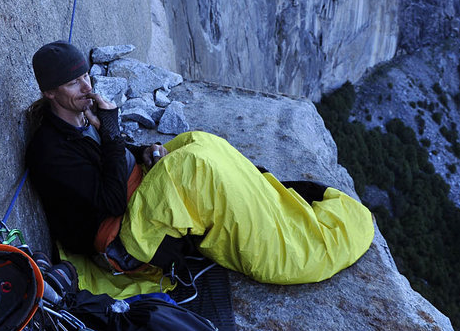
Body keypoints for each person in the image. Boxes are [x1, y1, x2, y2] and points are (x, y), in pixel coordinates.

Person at [26, 41, 374, 292]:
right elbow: (111, 201)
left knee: (197, 142)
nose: (87, 87)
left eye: (86, 76)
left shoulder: (82, 118)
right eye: (74, 83)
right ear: (49, 94)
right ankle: (291, 249)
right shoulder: (50, 151)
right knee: (195, 168)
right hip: (124, 241)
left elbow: (112, 159)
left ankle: (265, 206)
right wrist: (113, 133)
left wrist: (143, 152)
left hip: (136, 197)